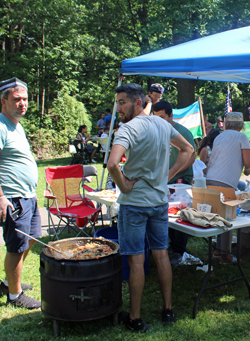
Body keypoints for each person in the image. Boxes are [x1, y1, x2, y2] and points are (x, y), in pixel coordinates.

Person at [107, 83, 193, 332]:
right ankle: (168, 310)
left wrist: (123, 186)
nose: (119, 107)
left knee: (136, 261)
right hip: (158, 202)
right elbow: (188, 149)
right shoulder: (163, 124)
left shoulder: (128, 129)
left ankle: (135, 318)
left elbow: (113, 163)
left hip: (134, 204)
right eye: (118, 102)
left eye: (123, 102)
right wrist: (169, 174)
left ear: (138, 102)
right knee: (161, 254)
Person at [0, 77, 41, 309]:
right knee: (16, 246)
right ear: (3, 101)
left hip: (27, 196)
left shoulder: (16, 124)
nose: (22, 104)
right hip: (12, 198)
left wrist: (31, 192)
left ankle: (9, 282)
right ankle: (15, 296)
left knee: (30, 240)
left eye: (25, 99)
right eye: (16, 99)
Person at [206, 112, 250, 264]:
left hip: (211, 177)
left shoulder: (220, 136)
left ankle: (219, 248)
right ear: (241, 125)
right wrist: (248, 169)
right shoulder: (241, 137)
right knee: (227, 216)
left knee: (217, 214)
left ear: (227, 124)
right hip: (225, 181)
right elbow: (248, 161)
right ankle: (225, 254)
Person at [153, 100, 196, 265]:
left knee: (180, 215)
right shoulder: (158, 131)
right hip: (164, 181)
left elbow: (191, 157)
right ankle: (172, 246)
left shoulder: (182, 132)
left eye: (162, 117)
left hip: (180, 182)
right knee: (166, 215)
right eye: (156, 117)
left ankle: (180, 250)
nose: (159, 120)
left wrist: (173, 173)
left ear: (171, 116)